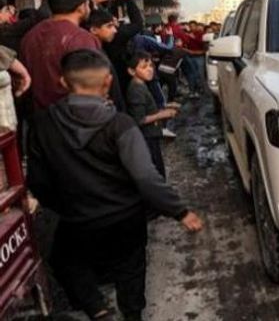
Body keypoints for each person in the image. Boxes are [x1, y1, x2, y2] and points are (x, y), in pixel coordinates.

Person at [27, 49, 203, 321]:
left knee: (66, 262)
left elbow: (38, 181)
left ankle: (97, 309)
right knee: (130, 269)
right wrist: (180, 211)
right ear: (108, 81)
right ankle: (132, 315)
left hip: (77, 219)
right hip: (126, 217)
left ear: (63, 82)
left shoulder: (42, 124)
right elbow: (146, 177)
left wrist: (68, 207)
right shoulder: (120, 124)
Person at [20, 0, 111, 110]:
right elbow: (92, 85)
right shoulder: (82, 38)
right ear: (81, 7)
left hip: (39, 119)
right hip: (74, 118)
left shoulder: (29, 36)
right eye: (88, 4)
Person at [126, 52, 178, 177]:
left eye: (151, 66)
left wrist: (166, 107)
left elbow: (147, 109)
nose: (149, 70)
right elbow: (140, 119)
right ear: (132, 71)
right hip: (147, 137)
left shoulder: (141, 85)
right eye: (144, 67)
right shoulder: (136, 90)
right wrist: (163, 114)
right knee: (157, 171)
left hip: (151, 134)